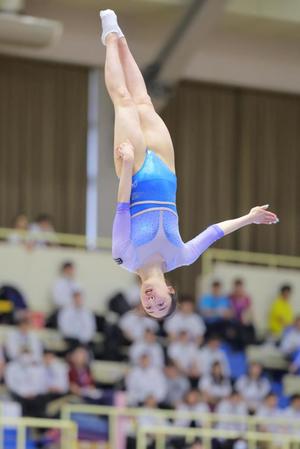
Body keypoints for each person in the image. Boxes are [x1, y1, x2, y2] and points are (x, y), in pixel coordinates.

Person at [99, 9, 279, 319]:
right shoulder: (180, 256)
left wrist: (127, 165)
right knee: (143, 101)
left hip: (137, 172)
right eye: (160, 304)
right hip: (166, 171)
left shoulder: (124, 257)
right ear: (170, 291)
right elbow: (213, 232)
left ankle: (110, 37)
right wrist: (248, 218)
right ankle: (123, 40)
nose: (152, 301)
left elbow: (122, 208)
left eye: (149, 307)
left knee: (123, 100)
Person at [5, 350, 46, 417]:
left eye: (28, 354)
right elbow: (11, 385)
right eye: (24, 354)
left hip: (34, 395)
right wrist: (23, 393)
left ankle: (38, 424)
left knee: (41, 400)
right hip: (19, 395)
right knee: (16, 401)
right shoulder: (12, 367)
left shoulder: (38, 368)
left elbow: (41, 384)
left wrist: (33, 393)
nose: (26, 357)